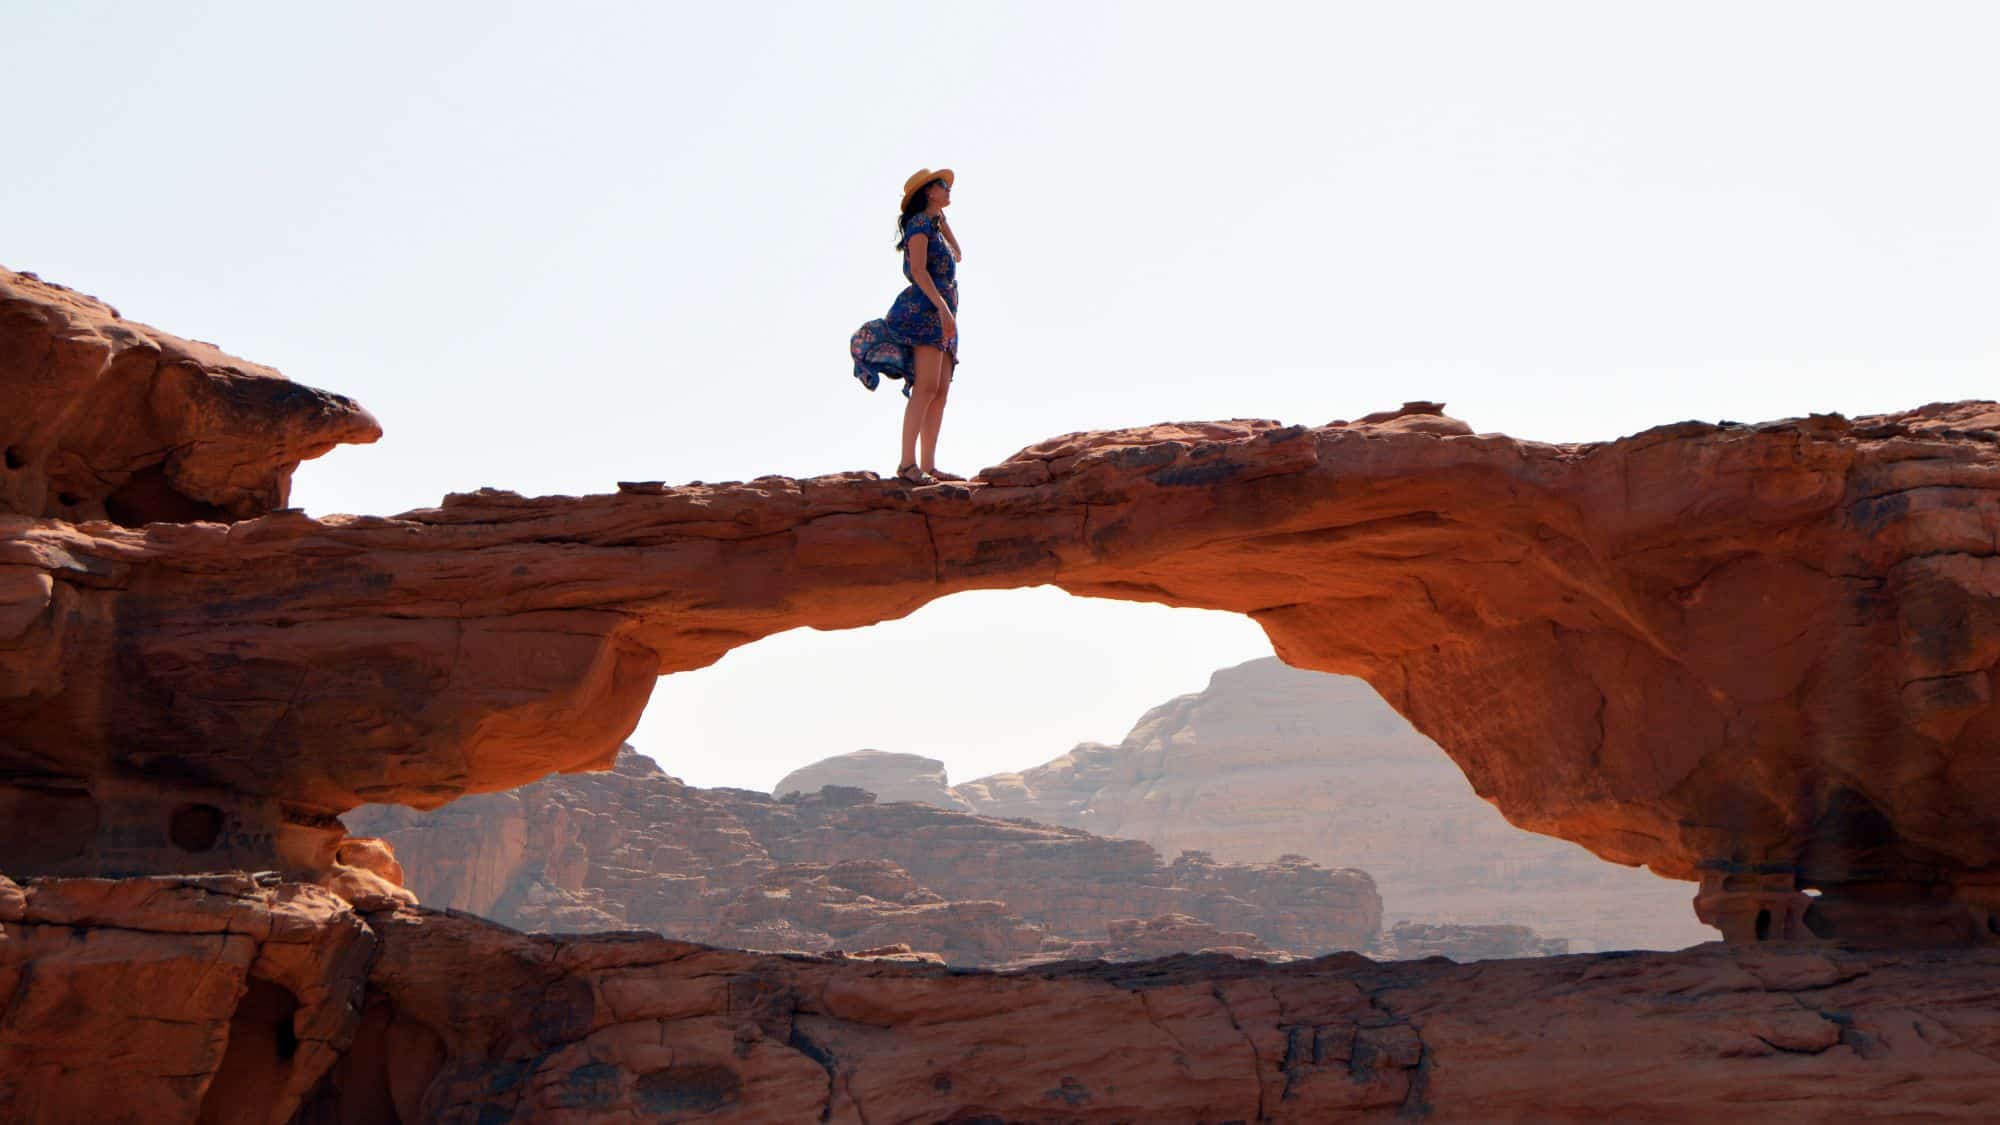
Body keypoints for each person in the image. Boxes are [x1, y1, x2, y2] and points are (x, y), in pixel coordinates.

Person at [850, 168, 962, 484]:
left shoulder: (934, 225)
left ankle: (929, 465)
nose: (949, 189)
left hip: (944, 309)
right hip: (927, 310)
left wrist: (943, 220)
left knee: (939, 389)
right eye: (942, 186)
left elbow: (959, 255)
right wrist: (941, 309)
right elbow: (917, 270)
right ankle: (907, 464)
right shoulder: (918, 225)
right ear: (928, 191)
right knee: (926, 386)